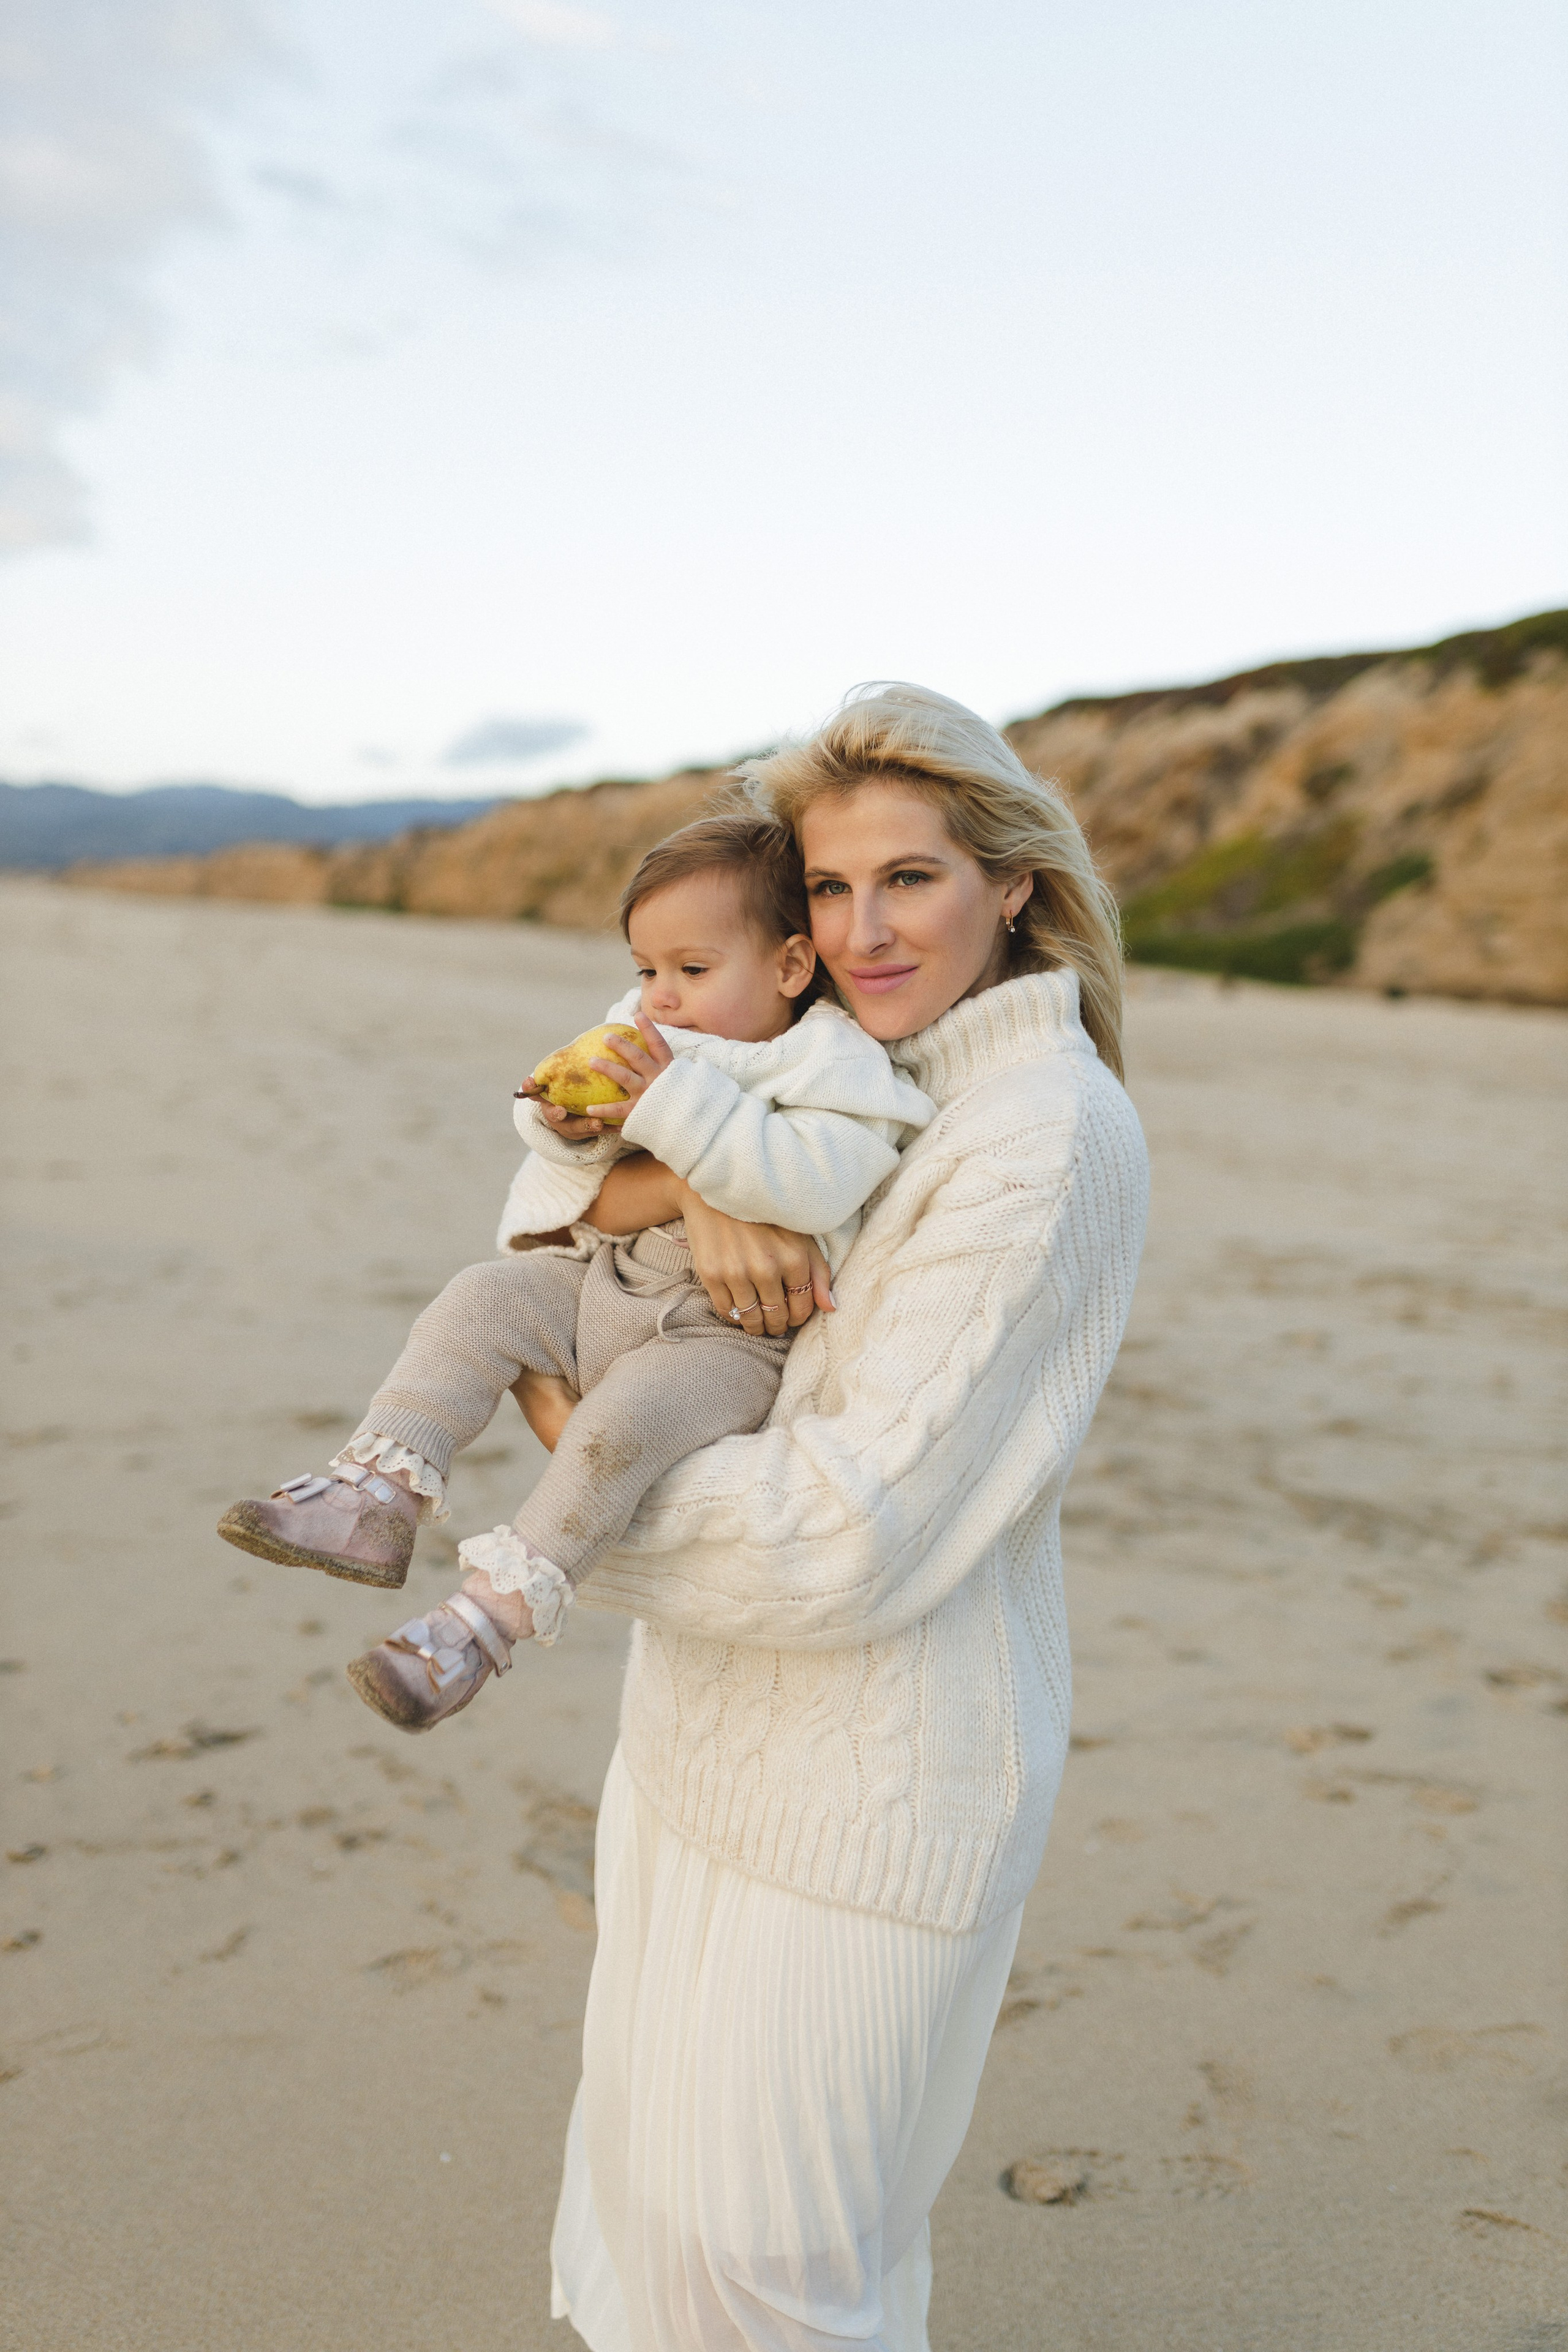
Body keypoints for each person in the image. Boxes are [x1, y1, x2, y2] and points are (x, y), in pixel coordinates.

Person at [529, 684, 1152, 2351]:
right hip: (698, 1746)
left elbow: (843, 1538)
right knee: (645, 2230)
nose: (863, 930)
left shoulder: (1044, 1135)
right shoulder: (821, 1066)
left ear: (1014, 883)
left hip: (874, 1797)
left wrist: (573, 1478)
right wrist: (699, 1181)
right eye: (823, 888)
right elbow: (545, 1160)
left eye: (913, 881)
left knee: (776, 2286)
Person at [214, 814, 933, 1731]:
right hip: (611, 1278)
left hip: (728, 1340)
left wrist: (672, 1107)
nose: (660, 999)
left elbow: (815, 1183)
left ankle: (481, 1623)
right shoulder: (641, 1031)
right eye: (646, 970)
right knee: (479, 1298)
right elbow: (556, 1144)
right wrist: (560, 1121)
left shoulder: (830, 1062)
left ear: (791, 968)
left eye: (692, 971)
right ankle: (376, 1493)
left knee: (614, 1431)